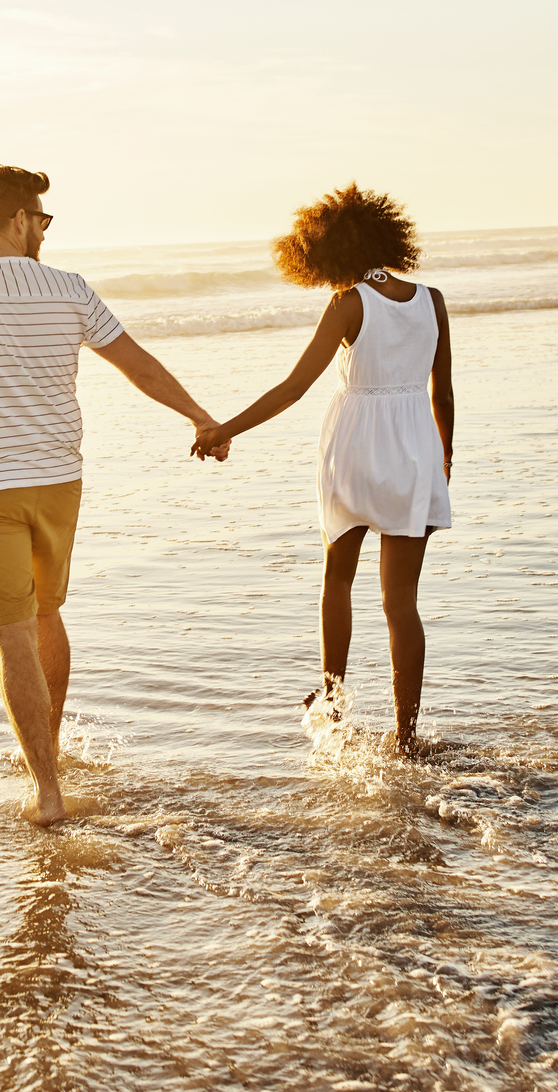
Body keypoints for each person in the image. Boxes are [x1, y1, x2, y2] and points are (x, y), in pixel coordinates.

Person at [0, 166, 228, 826]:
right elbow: (136, 362)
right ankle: (46, 750)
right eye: (42, 219)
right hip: (57, 480)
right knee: (45, 612)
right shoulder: (68, 289)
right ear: (20, 218)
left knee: (12, 633)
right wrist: (198, 415)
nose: (44, 231)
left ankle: (47, 791)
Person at [192, 184, 452, 755]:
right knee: (401, 603)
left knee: (338, 576)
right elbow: (444, 394)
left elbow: (293, 387)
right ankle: (406, 735)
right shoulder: (431, 300)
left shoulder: (348, 302)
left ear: (323, 250)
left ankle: (332, 698)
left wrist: (224, 429)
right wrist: (442, 464)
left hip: (357, 446)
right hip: (416, 451)